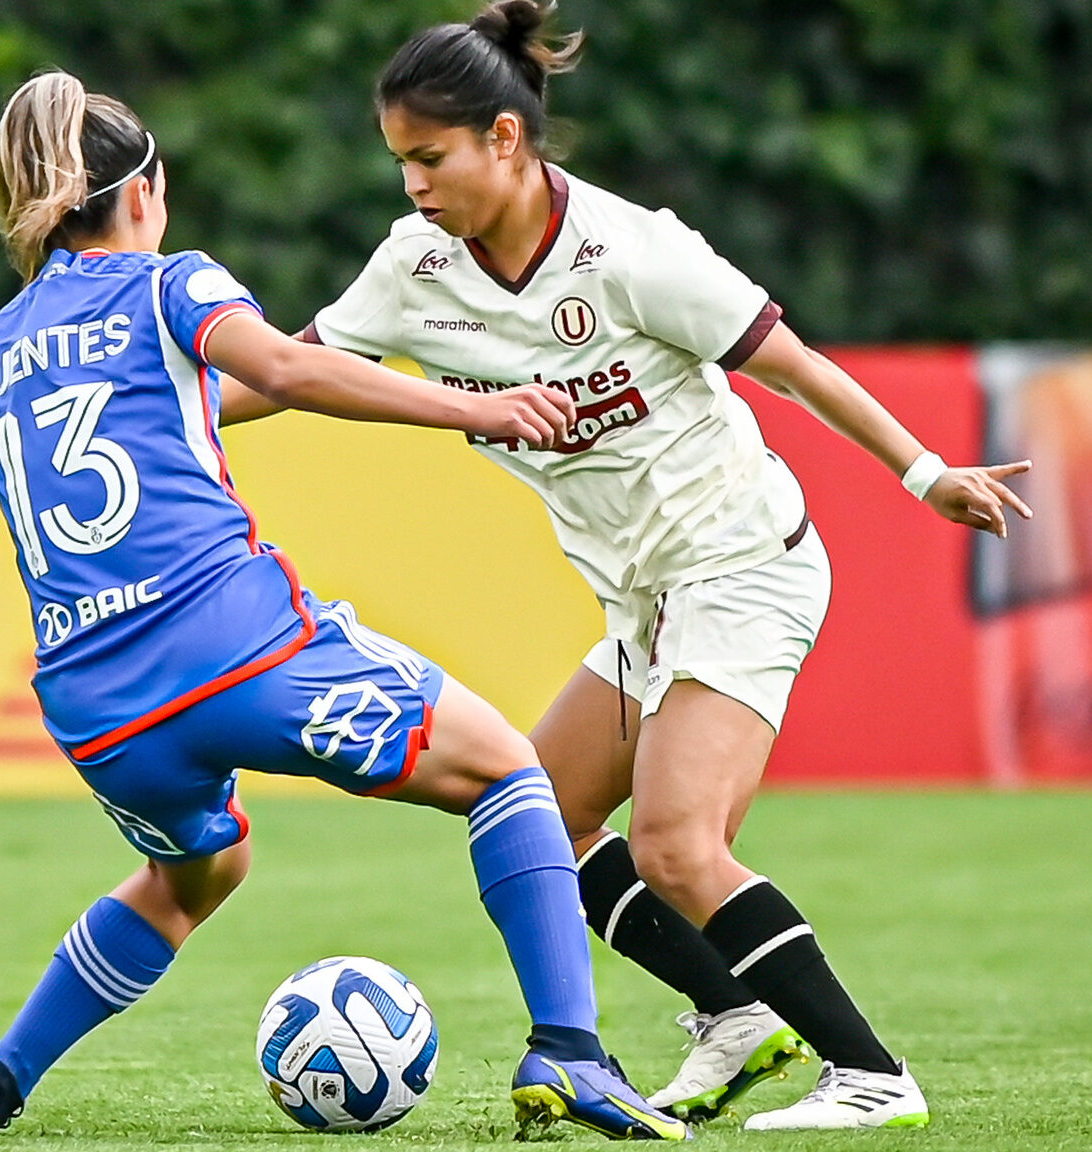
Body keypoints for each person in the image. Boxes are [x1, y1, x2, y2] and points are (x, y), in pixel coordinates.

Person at [0, 70, 692, 1141]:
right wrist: (476, 406)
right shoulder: (171, 287)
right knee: (504, 771)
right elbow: (290, 372)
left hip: (100, 714)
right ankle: (569, 1049)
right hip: (239, 650)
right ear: (144, 192)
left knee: (196, 870)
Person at [264, 0, 1034, 1131]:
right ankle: (733, 1020)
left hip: (739, 564)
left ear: (505, 141)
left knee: (677, 844)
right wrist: (159, 408)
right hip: (641, 604)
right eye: (398, 163)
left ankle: (871, 1075)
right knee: (533, 810)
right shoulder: (412, 268)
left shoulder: (630, 252)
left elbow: (793, 365)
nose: (412, 185)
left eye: (428, 158)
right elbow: (284, 373)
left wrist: (925, 475)